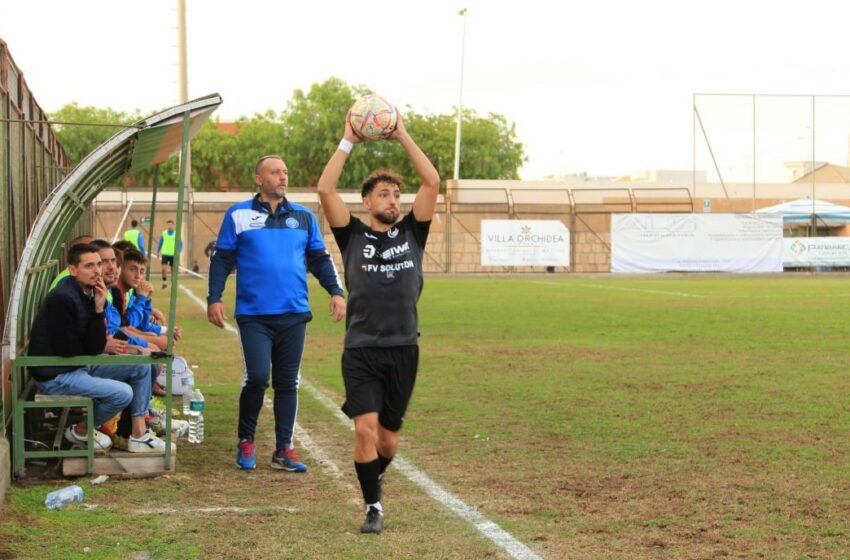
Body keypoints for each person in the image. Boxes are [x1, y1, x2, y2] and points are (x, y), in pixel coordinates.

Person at [316, 108, 440, 534]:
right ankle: (373, 506)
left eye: (396, 195)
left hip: (404, 347)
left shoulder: (412, 233)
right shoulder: (352, 235)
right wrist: (348, 139)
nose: (393, 200)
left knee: (388, 440)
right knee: (365, 430)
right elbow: (324, 188)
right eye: (384, 195)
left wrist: (402, 133)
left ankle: (376, 473)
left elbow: (432, 183)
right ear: (367, 202)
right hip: (362, 348)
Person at [208, 154, 347, 473]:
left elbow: (320, 259)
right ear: (259, 179)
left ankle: (284, 448)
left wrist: (336, 292)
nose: (283, 177)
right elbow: (222, 260)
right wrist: (214, 298)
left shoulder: (303, 216)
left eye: (285, 171)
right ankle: (246, 439)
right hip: (254, 314)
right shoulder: (238, 214)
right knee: (256, 377)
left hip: (294, 313)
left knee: (287, 382)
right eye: (275, 172)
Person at [27, 243, 167, 454]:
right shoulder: (62, 298)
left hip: (76, 365)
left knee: (140, 366)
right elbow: (70, 349)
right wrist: (99, 341)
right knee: (123, 393)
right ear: (73, 270)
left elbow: (93, 345)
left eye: (98, 265)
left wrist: (99, 308)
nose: (96, 271)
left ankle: (138, 435)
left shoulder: (91, 294)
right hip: (56, 374)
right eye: (89, 266)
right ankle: (81, 430)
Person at [157, 219, 183, 289]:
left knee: (173, 270)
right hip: (165, 254)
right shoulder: (164, 233)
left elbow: (180, 244)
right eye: (168, 224)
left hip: (173, 255)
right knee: (163, 269)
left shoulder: (176, 234)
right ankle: (164, 283)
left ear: (173, 225)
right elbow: (160, 242)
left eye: (171, 224)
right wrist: (158, 250)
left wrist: (179, 251)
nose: (169, 226)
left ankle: (173, 283)